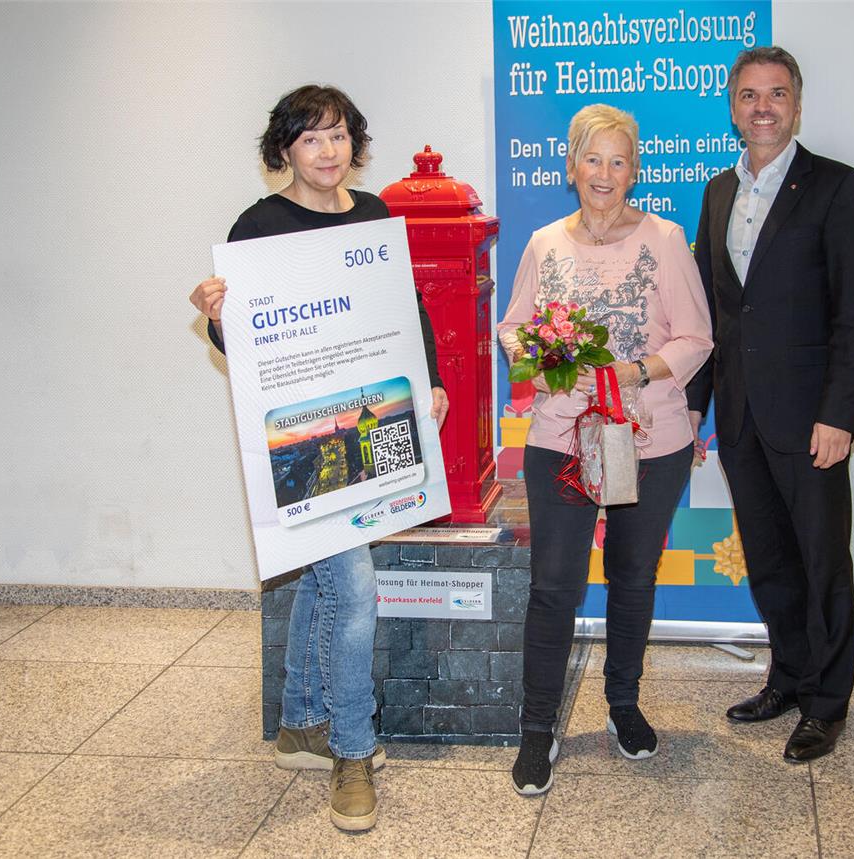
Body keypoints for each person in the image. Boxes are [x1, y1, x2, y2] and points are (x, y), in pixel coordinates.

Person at [188, 84, 448, 831]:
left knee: (326, 577)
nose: (328, 151)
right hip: (301, 436)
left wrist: (429, 379)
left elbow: (405, 307)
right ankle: (351, 749)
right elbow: (246, 343)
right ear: (285, 150)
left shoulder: (373, 214)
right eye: (311, 138)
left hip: (369, 421)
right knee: (354, 585)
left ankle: (302, 723)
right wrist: (217, 318)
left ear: (353, 144)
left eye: (338, 135)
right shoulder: (258, 226)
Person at [498, 104, 712, 796]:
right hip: (561, 439)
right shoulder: (543, 244)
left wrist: (634, 371)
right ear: (571, 166)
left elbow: (697, 337)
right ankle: (537, 727)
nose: (604, 173)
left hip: (650, 441)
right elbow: (513, 329)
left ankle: (624, 704)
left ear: (634, 170)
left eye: (618, 161)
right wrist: (540, 361)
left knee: (633, 576)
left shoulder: (666, 239)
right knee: (553, 586)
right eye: (593, 158)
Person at [686, 46, 854, 762]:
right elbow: (712, 313)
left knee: (822, 562)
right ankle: (790, 678)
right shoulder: (717, 192)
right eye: (749, 95)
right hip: (740, 416)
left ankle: (827, 704)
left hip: (811, 420)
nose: (762, 107)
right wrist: (696, 408)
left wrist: (842, 416)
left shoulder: (839, 188)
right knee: (769, 560)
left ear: (796, 104)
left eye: (776, 94)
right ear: (733, 108)